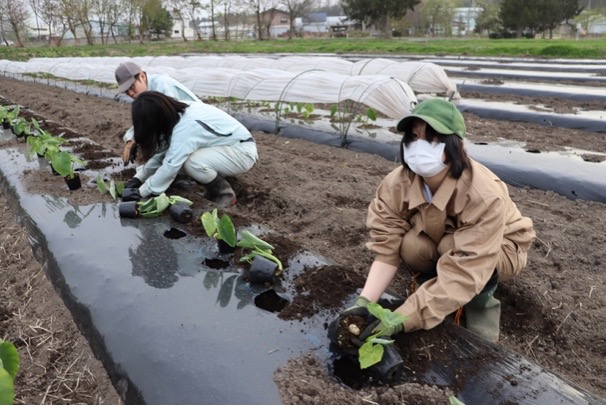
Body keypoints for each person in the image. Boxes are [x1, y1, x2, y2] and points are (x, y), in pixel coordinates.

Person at [331, 98, 536, 344]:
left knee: (453, 252)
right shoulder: (397, 183)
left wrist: (401, 320)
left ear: (457, 145)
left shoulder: (482, 193)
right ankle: (438, 287)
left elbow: (470, 264)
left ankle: (480, 305)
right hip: (445, 240)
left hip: (501, 248)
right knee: (411, 247)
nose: (420, 146)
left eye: (432, 138)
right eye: (414, 137)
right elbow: (386, 250)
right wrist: (363, 303)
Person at [121, 91, 258, 207]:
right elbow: (163, 154)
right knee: (182, 159)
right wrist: (139, 178)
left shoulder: (186, 127)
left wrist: (142, 192)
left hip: (242, 152)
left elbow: (170, 164)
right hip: (224, 147)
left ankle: (224, 193)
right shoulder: (176, 114)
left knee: (191, 163)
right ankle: (212, 189)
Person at [115, 61, 200, 165]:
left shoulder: (162, 86)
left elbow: (171, 122)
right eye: (126, 91)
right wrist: (131, 139)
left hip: (198, 129)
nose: (131, 93)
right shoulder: (144, 96)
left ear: (142, 76)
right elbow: (144, 121)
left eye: (132, 87)